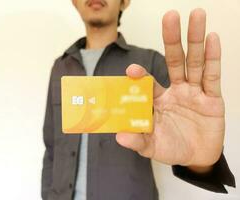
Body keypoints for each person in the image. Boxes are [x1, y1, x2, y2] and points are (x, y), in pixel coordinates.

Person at [41, 0, 235, 199]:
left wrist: (201, 162)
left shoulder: (151, 64)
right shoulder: (60, 67)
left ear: (124, 2)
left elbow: (185, 137)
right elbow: (51, 147)